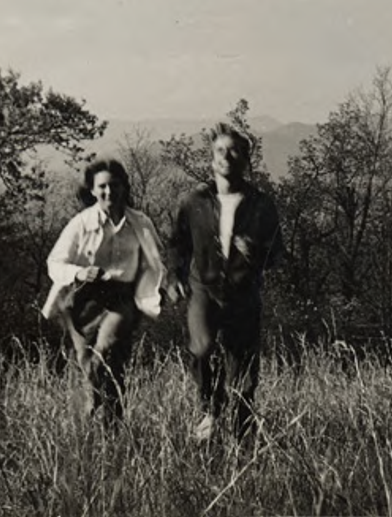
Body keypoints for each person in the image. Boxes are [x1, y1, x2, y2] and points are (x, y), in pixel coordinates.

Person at [168, 123, 284, 441]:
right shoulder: (194, 201)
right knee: (201, 347)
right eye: (220, 150)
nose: (226, 156)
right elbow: (178, 244)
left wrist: (255, 251)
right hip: (203, 287)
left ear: (246, 159)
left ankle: (242, 425)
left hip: (243, 292)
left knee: (243, 361)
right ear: (211, 158)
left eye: (234, 150)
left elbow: (277, 253)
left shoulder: (262, 205)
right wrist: (175, 278)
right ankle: (210, 410)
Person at [41, 159, 166, 427]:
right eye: (103, 187)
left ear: (124, 187)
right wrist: (79, 273)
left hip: (122, 300)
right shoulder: (81, 223)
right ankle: (105, 427)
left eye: (115, 185)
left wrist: (153, 295)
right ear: (93, 190)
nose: (109, 192)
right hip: (83, 301)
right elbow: (55, 263)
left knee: (105, 353)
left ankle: (103, 416)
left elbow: (154, 264)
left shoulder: (140, 223)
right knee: (93, 368)